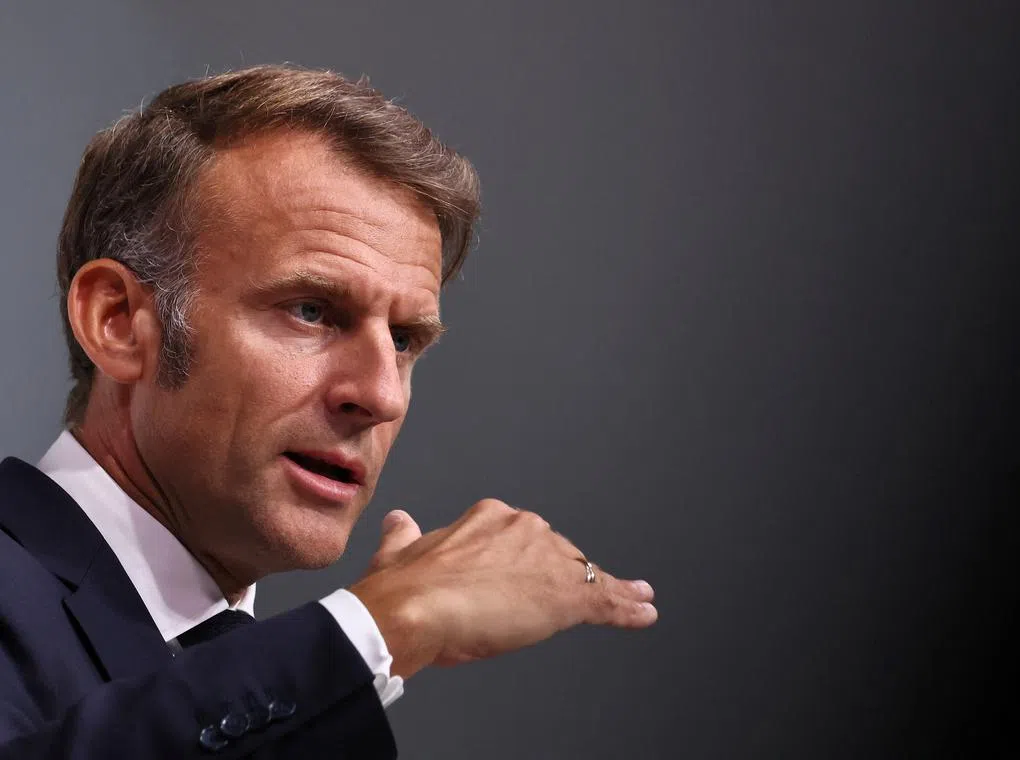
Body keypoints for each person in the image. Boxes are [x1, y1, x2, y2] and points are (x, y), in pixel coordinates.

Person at [0, 65, 657, 758]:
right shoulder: (331, 670)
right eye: (312, 311)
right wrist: (386, 625)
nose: (382, 396)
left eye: (405, 341)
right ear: (120, 322)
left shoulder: (294, 710)